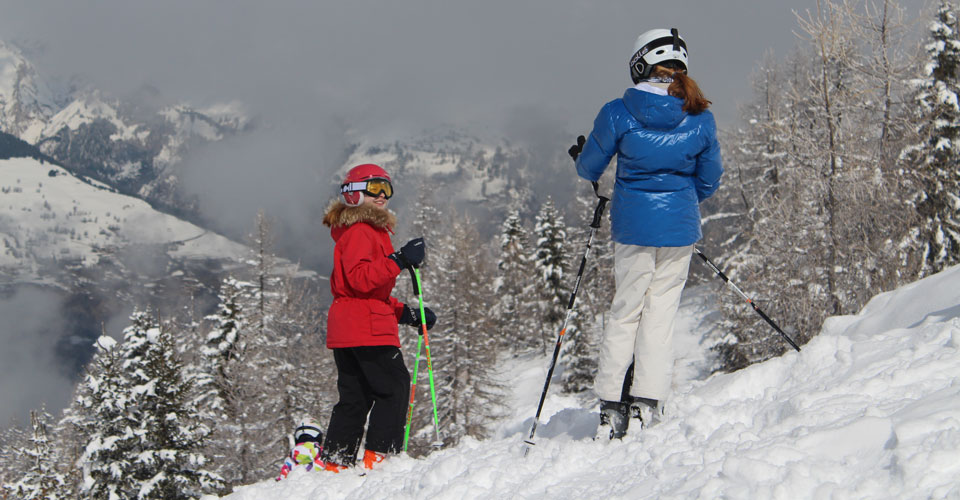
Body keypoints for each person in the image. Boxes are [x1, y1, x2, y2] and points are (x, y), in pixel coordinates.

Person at [569, 28, 723, 439]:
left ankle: (610, 405)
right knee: (661, 314)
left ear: (639, 64)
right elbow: (710, 180)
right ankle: (646, 402)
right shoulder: (700, 117)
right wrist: (680, 200)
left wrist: (581, 156)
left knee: (626, 312)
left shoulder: (618, 111)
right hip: (679, 228)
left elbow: (589, 169)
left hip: (633, 227)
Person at [320, 163, 437, 471]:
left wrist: (407, 313)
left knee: (355, 397)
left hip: (350, 326)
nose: (383, 194)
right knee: (394, 387)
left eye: (387, 187)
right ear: (353, 193)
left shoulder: (361, 231)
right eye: (374, 187)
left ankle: (336, 463)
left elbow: (368, 294)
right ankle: (380, 460)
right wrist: (398, 260)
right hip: (366, 328)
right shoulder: (362, 231)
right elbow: (361, 280)